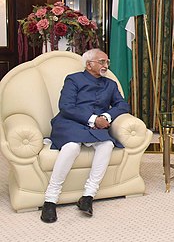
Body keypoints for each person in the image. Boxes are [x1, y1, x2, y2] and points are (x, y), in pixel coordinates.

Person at [40, 49, 130, 223]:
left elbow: (122, 105)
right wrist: (94, 119)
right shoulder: (73, 79)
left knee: (107, 145)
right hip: (69, 123)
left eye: (107, 62)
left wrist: (106, 117)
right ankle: (50, 200)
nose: (106, 66)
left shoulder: (110, 84)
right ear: (89, 65)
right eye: (102, 62)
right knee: (72, 146)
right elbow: (66, 106)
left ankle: (88, 196)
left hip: (96, 127)